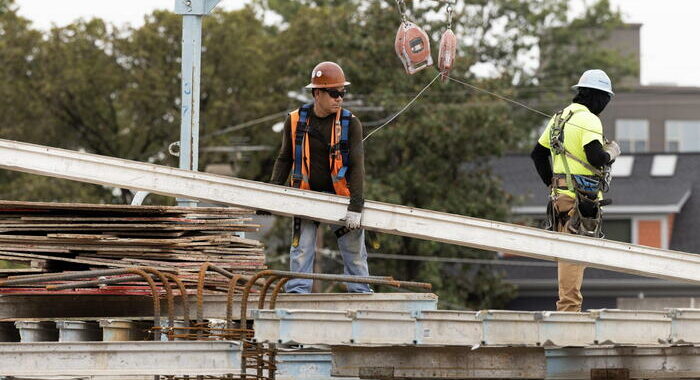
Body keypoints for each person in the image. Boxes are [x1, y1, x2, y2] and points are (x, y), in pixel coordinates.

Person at [269, 61, 371, 293]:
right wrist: (272, 193)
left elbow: (357, 166)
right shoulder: (295, 121)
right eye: (334, 93)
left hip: (342, 198)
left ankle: (361, 295)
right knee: (301, 250)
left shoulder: (350, 123)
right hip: (307, 195)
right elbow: (285, 159)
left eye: (342, 93)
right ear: (317, 93)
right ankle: (297, 295)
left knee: (354, 254)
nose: (339, 98)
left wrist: (356, 205)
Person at [530, 69, 621, 312]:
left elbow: (537, 154)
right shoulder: (590, 119)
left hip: (560, 197)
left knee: (570, 254)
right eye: (605, 100)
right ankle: (568, 312)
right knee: (573, 254)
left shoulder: (559, 117)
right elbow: (596, 157)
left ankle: (568, 309)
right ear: (598, 97)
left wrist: (553, 183)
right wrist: (611, 152)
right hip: (580, 200)